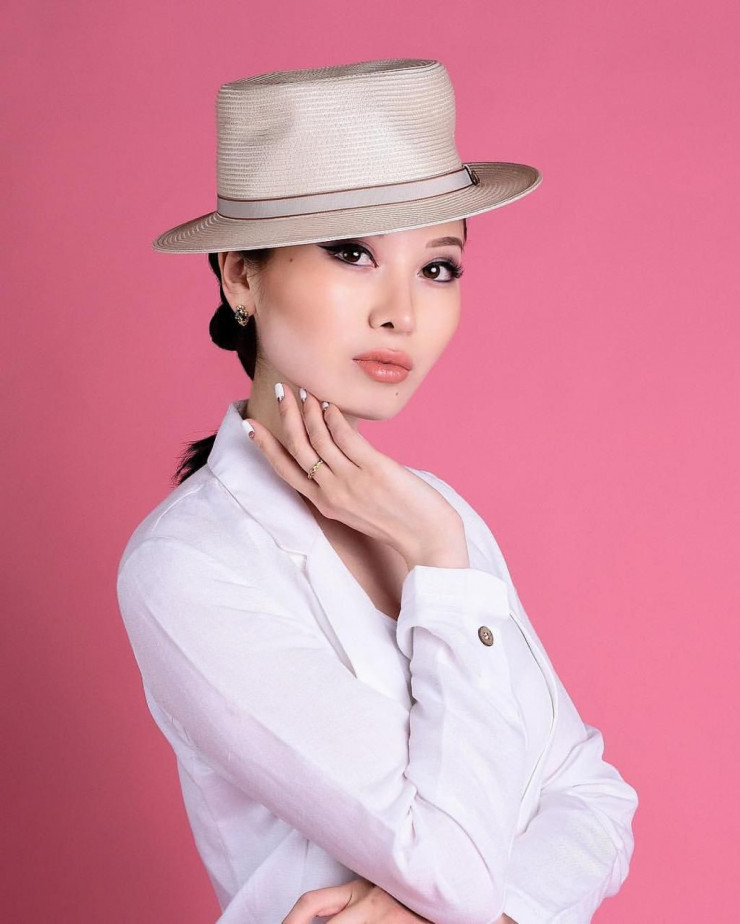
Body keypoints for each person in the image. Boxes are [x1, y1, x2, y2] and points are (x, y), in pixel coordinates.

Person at [116, 58, 639, 924]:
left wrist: (479, 913)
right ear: (240, 275)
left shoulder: (436, 516)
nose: (402, 312)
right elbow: (449, 869)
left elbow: (596, 800)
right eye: (353, 251)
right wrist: (438, 559)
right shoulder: (190, 564)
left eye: (438, 267)